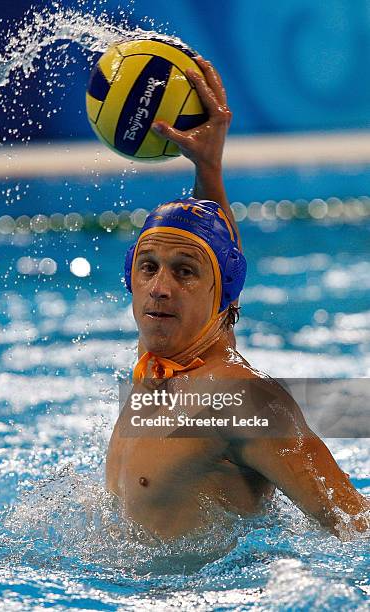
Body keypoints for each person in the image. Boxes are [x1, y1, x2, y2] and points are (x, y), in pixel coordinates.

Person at [105, 54, 370, 540]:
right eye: (149, 268)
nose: (160, 287)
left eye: (184, 273)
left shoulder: (239, 397)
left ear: (220, 298)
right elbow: (218, 261)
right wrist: (208, 168)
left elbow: (354, 521)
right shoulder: (160, 358)